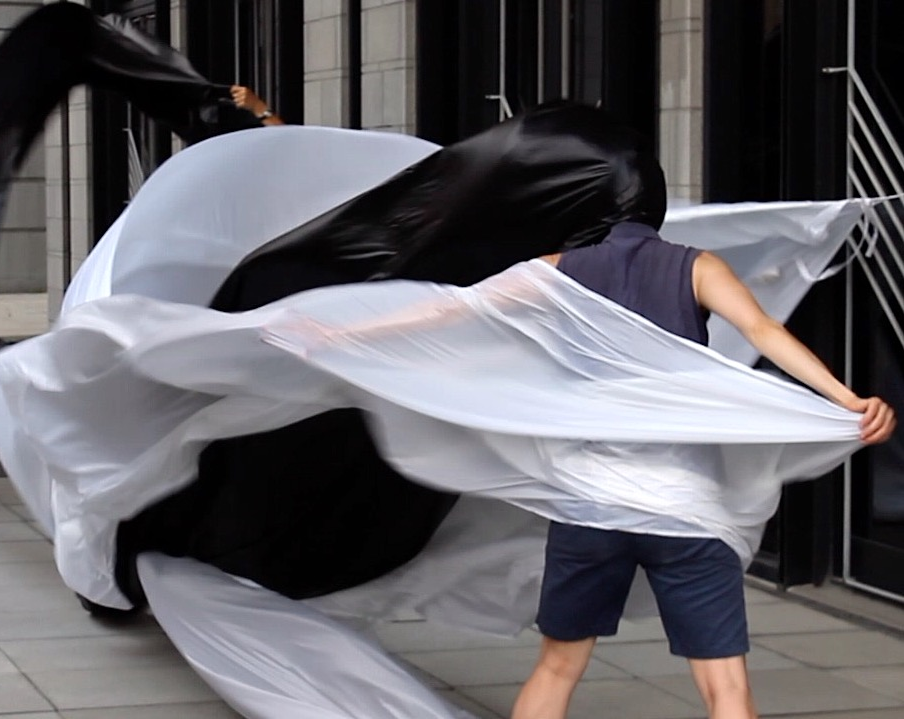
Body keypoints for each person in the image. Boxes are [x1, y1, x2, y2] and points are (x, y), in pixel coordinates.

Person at [285, 220, 894, 719]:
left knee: (557, 668)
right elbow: (762, 330)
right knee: (725, 687)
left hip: (591, 510)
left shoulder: (556, 271)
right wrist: (847, 401)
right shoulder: (697, 267)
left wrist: (339, 334)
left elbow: (455, 309)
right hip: (687, 512)